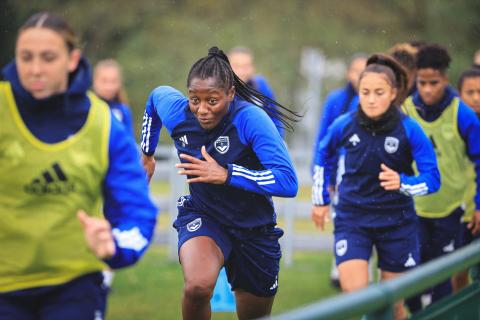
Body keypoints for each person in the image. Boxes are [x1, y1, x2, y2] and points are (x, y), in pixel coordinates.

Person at [0, 12, 157, 320]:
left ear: (72, 60)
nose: (35, 69)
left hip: (75, 287)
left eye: (47, 58)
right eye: (25, 57)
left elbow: (136, 212)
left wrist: (113, 243)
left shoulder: (103, 124)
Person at [140, 47, 300, 320]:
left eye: (212, 101)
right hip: (205, 216)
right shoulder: (178, 113)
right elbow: (155, 99)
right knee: (198, 286)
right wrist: (147, 153)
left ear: (230, 94)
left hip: (254, 228)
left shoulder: (251, 119)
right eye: (195, 100)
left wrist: (228, 174)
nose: (202, 109)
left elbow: (288, 182)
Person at [311, 54, 440, 319]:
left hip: (397, 223)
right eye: (365, 92)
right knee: (358, 297)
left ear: (393, 93)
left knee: (392, 306)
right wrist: (321, 198)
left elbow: (432, 178)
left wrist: (403, 183)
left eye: (378, 92)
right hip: (352, 218)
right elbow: (323, 156)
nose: (370, 99)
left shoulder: (409, 129)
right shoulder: (344, 124)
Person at [402, 44, 480, 311]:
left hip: (452, 211)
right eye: (422, 83)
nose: (427, 89)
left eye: (433, 83)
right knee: (411, 283)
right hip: (415, 208)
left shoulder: (463, 115)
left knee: (444, 285)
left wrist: (479, 205)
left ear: (445, 80)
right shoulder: (406, 110)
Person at [311, 53, 367, 288]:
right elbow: (324, 139)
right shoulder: (337, 100)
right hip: (342, 171)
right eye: (356, 71)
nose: (360, 76)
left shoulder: (380, 104)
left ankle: (363, 270)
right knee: (342, 216)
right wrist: (322, 175)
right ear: (348, 73)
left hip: (370, 172)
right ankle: (341, 265)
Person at [451, 68, 480, 292]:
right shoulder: (452, 126)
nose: (476, 97)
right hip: (460, 214)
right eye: (470, 92)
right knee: (456, 276)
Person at [227, 46, 285, 137]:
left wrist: (276, 138)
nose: (241, 71)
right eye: (236, 66)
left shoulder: (261, 87)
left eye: (245, 66)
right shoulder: (218, 91)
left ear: (252, 68)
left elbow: (275, 118)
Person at [93, 59, 134, 136]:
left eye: (113, 81)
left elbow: (129, 141)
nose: (109, 86)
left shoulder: (124, 111)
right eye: (104, 81)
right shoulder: (89, 108)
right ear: (95, 82)